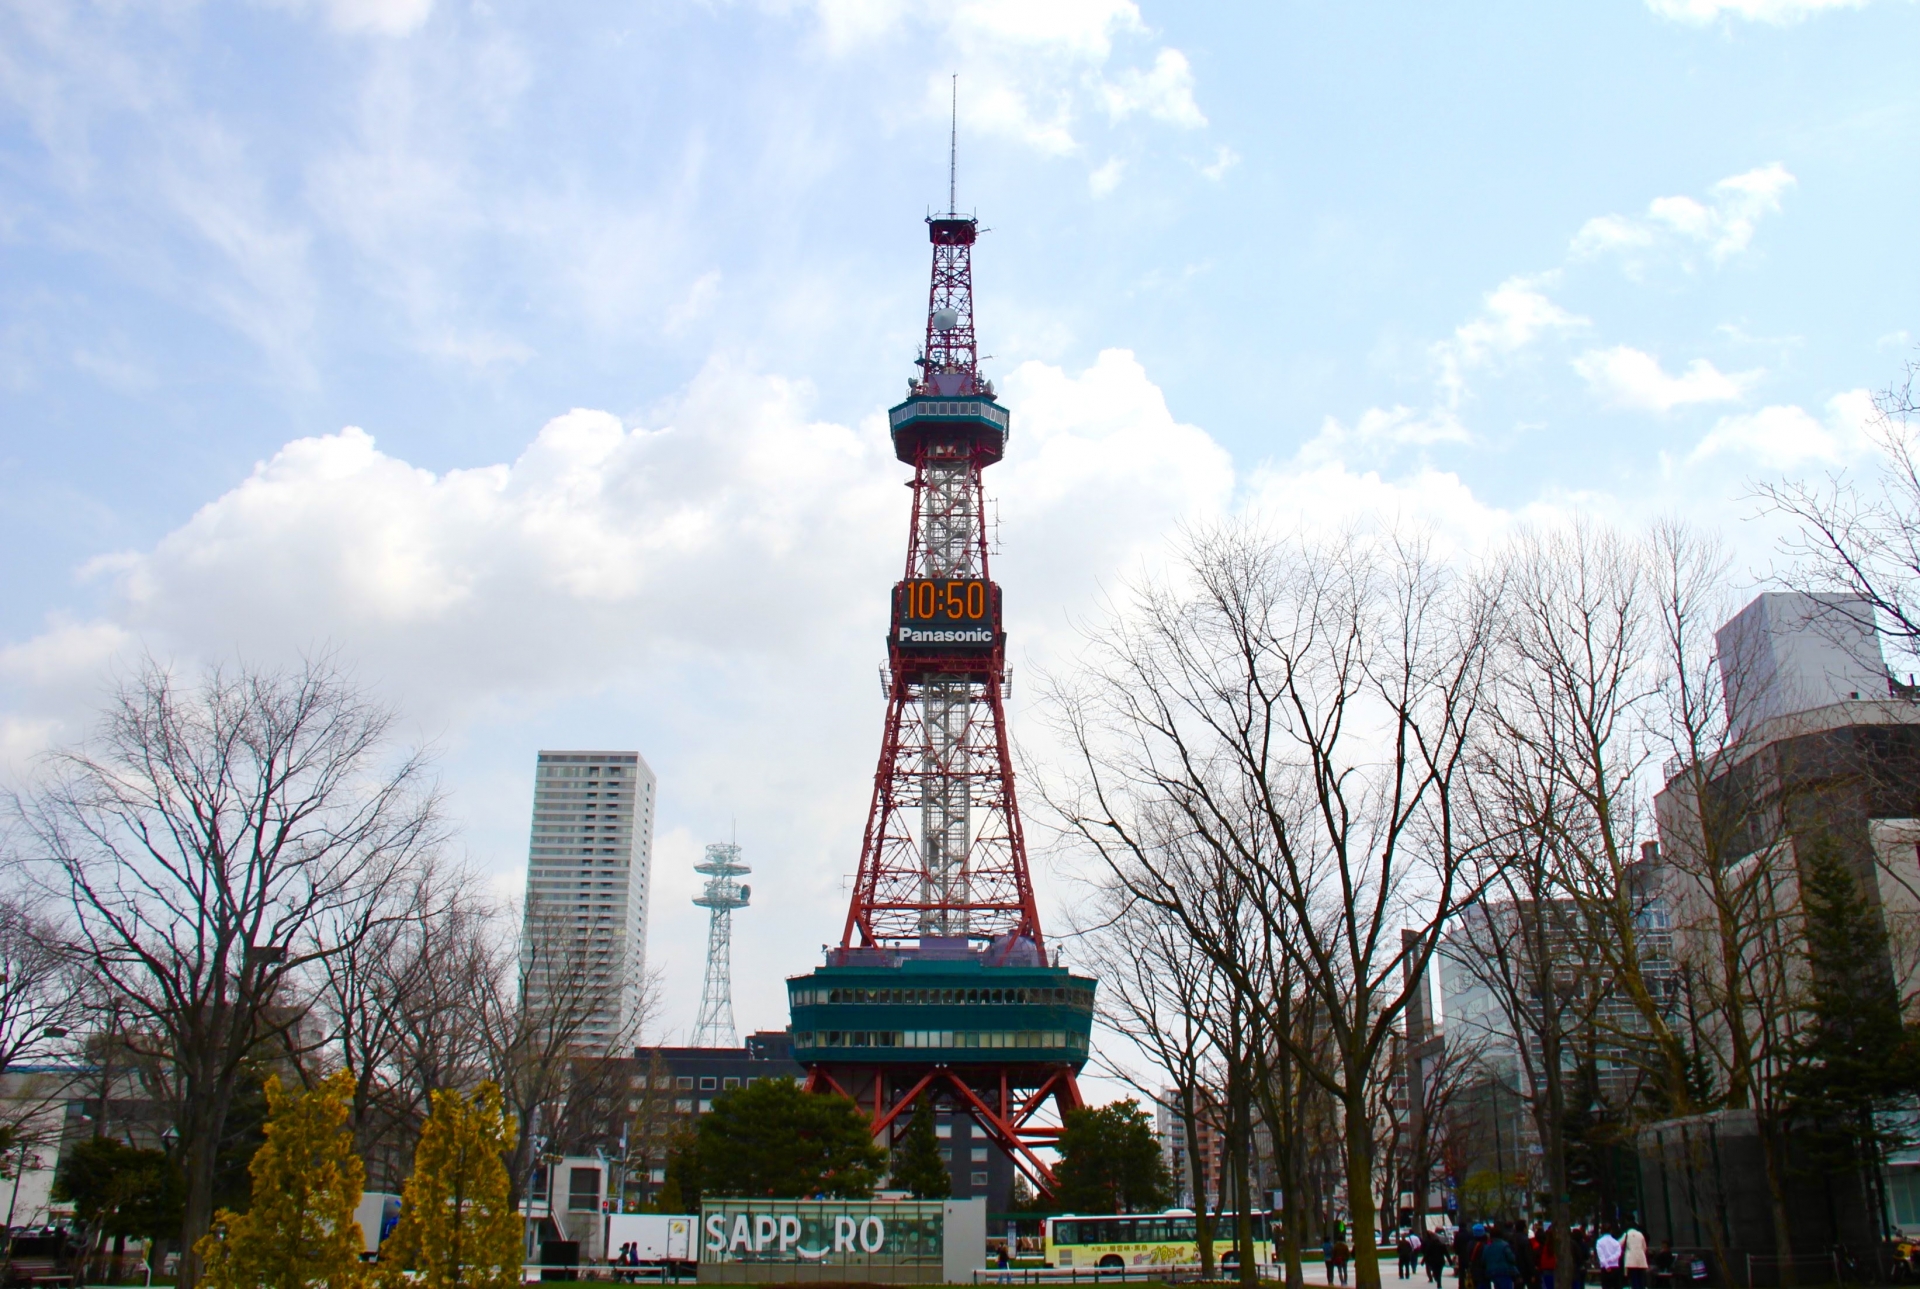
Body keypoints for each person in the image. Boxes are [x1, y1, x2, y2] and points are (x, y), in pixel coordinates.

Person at [1620, 1224, 1647, 1289]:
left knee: (1633, 1277)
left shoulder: (1627, 1234)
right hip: (1641, 1259)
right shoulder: (1640, 1234)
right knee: (1640, 1277)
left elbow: (1620, 1244)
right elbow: (1644, 1247)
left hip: (1631, 1259)